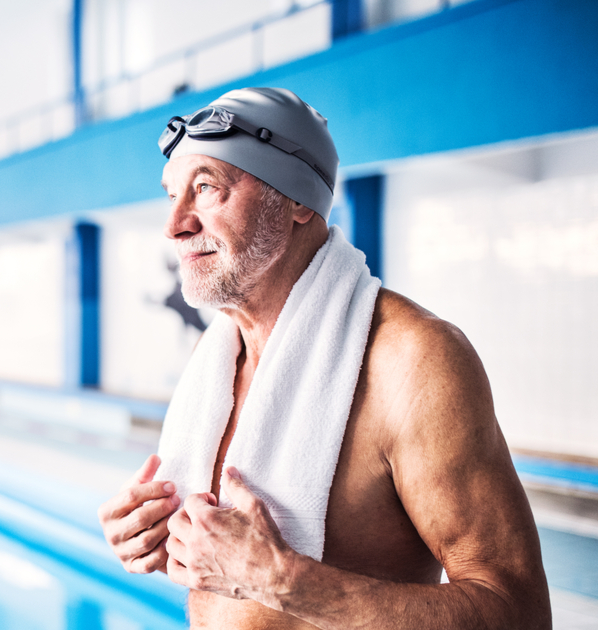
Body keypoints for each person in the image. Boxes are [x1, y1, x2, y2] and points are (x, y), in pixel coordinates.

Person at [97, 88, 551, 629]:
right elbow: (220, 567)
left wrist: (283, 582)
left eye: (205, 189)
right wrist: (150, 528)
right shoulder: (218, 355)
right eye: (172, 195)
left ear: (297, 201)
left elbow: (519, 614)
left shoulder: (413, 362)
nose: (176, 224)